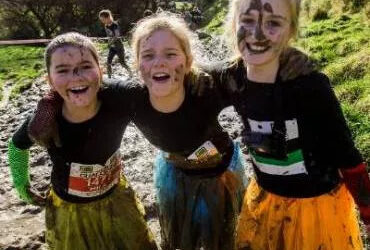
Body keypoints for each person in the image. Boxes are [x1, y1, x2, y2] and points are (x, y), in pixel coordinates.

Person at [27, 12, 314, 250]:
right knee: (179, 239)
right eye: (148, 55)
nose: (159, 62)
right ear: (137, 64)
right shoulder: (127, 96)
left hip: (222, 173)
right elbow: (82, 85)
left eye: (171, 54)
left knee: (224, 237)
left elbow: (249, 67)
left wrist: (286, 56)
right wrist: (48, 104)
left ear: (188, 60)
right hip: (175, 176)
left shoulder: (208, 85)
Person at [214, 0, 370, 249]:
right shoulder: (231, 78)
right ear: (233, 24)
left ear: (291, 30)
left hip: (316, 209)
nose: (257, 34)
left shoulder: (309, 86)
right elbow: (189, 90)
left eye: (273, 23)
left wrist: (367, 209)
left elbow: (346, 154)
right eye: (248, 20)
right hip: (266, 202)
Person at [7, 32, 157, 250]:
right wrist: (22, 184)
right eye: (62, 70)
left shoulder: (120, 100)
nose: (76, 76)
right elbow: (16, 146)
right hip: (69, 210)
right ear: (49, 80)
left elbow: (157, 98)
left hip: (116, 198)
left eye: (86, 66)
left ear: (101, 70)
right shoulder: (45, 119)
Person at [98, 9, 132, 78]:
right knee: (108, 62)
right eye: (101, 20)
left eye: (103, 19)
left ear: (107, 17)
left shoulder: (115, 25)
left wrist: (110, 42)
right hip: (112, 48)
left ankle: (130, 73)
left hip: (119, 47)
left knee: (122, 63)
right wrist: (109, 43)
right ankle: (109, 77)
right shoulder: (106, 26)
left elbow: (117, 35)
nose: (102, 21)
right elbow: (109, 36)